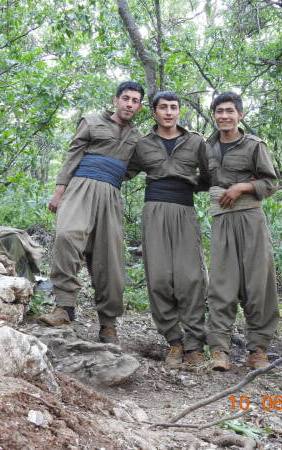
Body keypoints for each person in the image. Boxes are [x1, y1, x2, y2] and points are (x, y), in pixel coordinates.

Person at [38, 81, 144, 345]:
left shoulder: (138, 137)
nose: (129, 104)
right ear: (115, 100)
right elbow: (73, 155)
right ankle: (64, 307)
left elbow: (135, 167)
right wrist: (59, 191)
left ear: (140, 107)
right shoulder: (92, 121)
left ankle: (108, 324)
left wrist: (112, 173)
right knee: (67, 236)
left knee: (110, 259)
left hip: (111, 194)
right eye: (126, 98)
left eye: (135, 101)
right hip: (80, 187)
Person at [126, 91, 209, 369]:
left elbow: (210, 174)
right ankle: (175, 341)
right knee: (159, 277)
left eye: (173, 107)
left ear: (179, 111)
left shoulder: (195, 141)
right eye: (163, 107)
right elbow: (124, 170)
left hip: (184, 210)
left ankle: (194, 345)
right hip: (154, 210)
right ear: (154, 112)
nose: (169, 112)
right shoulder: (142, 144)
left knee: (190, 278)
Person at [205, 91, 280, 371]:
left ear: (240, 115)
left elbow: (270, 183)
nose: (224, 116)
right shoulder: (207, 147)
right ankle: (219, 350)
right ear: (214, 115)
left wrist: (242, 187)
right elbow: (201, 179)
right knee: (221, 284)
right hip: (222, 219)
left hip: (251, 218)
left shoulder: (254, 146)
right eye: (219, 111)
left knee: (258, 283)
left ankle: (257, 350)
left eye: (229, 111)